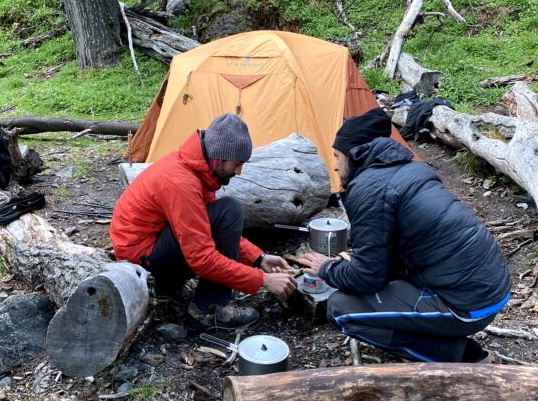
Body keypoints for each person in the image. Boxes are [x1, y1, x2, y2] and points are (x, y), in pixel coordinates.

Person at [300, 108, 511, 363]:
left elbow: (369, 278)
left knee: (340, 309)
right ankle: (439, 334)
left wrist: (327, 269)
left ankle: (463, 358)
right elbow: (388, 258)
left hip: (466, 306)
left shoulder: (369, 189)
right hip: (490, 288)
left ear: (355, 155)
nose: (334, 165)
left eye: (337, 156)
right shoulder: (411, 170)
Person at [111, 113, 297, 329]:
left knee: (225, 212)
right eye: (236, 164)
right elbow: (202, 257)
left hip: (149, 248)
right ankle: (207, 310)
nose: (239, 171)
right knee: (230, 210)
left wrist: (259, 258)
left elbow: (206, 229)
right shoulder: (181, 181)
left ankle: (176, 290)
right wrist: (261, 279)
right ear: (218, 157)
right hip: (141, 264)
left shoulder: (199, 170)